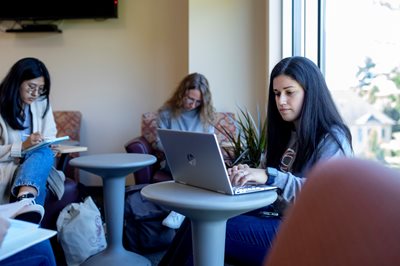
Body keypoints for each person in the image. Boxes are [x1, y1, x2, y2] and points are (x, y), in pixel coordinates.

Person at [159, 56, 353, 265]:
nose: (281, 101)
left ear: (311, 93)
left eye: (289, 92)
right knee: (198, 217)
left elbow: (322, 197)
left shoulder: (332, 138)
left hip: (308, 233)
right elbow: (266, 177)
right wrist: (247, 175)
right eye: (277, 94)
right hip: (277, 216)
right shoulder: (286, 133)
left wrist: (268, 176)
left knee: (208, 227)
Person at [0, 57, 63, 224]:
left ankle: (25, 200)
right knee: (39, 180)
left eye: (41, 89)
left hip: (37, 162)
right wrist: (22, 147)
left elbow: (50, 135)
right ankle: (27, 201)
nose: (35, 94)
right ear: (17, 82)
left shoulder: (41, 103)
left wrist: (51, 145)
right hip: (8, 166)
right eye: (31, 87)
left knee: (43, 151)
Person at [156, 72, 216, 229]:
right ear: (182, 93)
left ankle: (181, 212)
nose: (193, 105)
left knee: (204, 167)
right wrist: (178, 147)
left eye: (198, 101)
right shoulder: (166, 113)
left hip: (198, 161)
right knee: (191, 167)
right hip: (173, 160)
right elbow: (159, 142)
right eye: (190, 99)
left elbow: (209, 144)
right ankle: (181, 212)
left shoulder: (206, 115)